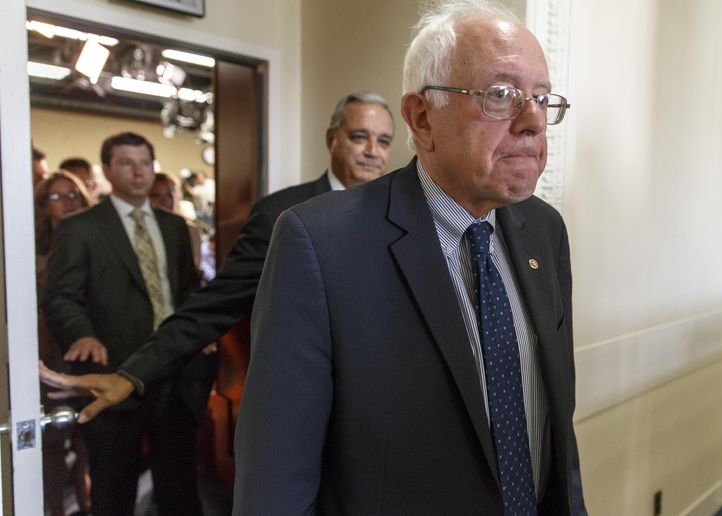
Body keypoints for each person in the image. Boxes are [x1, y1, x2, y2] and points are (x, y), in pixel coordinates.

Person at [232, 1, 585, 514]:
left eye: (541, 98)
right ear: (422, 117)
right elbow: (275, 480)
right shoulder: (318, 244)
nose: (533, 121)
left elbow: (555, 429)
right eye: (501, 95)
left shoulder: (544, 231)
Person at [39, 91, 395, 421]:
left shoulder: (400, 215)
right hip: (310, 408)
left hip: (387, 401)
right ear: (333, 139)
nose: (372, 152)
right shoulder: (283, 216)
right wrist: (131, 374)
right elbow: (213, 306)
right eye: (359, 137)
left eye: (384, 141)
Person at [42, 132, 205, 516]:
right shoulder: (81, 227)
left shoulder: (175, 227)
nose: (138, 171)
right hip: (112, 371)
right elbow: (61, 295)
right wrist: (81, 332)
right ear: (108, 170)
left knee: (179, 483)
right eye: (127, 163)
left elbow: (187, 288)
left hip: (175, 373)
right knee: (114, 486)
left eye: (145, 163)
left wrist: (201, 333)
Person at [33, 171, 93, 516]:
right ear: (43, 206)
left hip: (88, 348)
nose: (67, 202)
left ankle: (87, 502)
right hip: (49, 352)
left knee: (89, 433)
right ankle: (53, 506)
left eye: (73, 194)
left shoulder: (95, 241)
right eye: (56, 197)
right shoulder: (32, 249)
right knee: (51, 440)